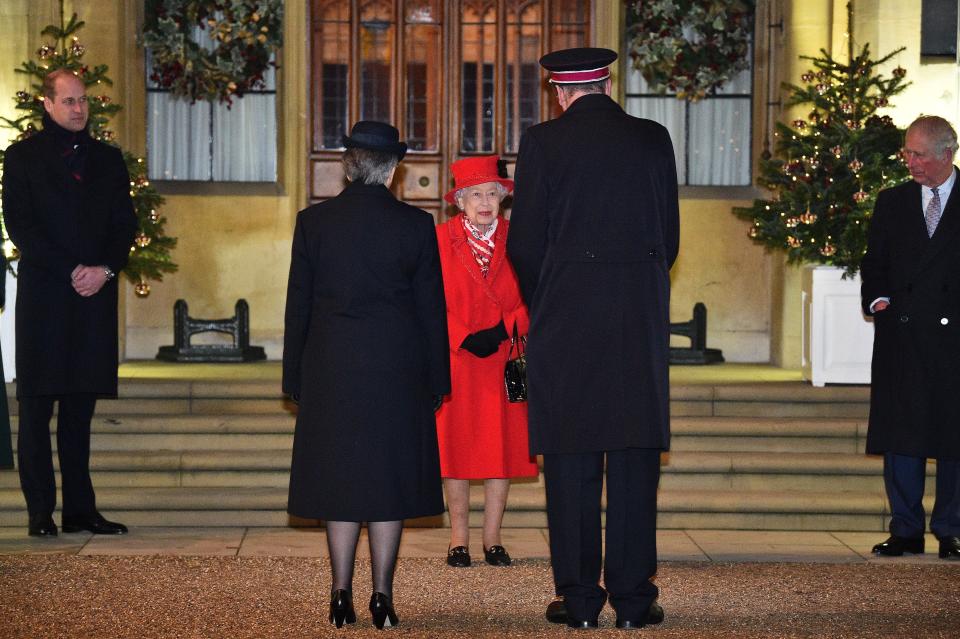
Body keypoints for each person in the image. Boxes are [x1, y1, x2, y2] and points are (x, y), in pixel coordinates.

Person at [507, 48, 679, 629]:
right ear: (607, 83)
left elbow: (524, 243)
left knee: (572, 461)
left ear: (559, 91)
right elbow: (670, 237)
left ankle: (579, 600)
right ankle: (633, 600)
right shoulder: (653, 138)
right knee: (633, 462)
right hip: (637, 321)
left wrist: (550, 300)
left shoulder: (542, 144)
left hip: (568, 321)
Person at [282, 120, 451, 629]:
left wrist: (294, 377)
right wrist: (438, 380)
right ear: (394, 169)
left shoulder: (314, 223)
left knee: (339, 481)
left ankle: (339, 594)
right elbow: (431, 311)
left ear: (347, 165)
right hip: (395, 371)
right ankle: (381, 596)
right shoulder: (416, 226)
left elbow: (299, 308)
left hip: (331, 368)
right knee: (387, 482)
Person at [2, 69, 137, 538]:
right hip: (45, 299)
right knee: (37, 411)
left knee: (79, 413)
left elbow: (125, 226)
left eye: (83, 101)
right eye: (69, 101)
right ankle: (40, 512)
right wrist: (70, 270)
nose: (79, 109)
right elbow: (20, 226)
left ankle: (81, 510)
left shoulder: (109, 160)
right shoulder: (21, 158)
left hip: (92, 300)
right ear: (48, 104)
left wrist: (104, 270)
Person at [860, 114, 960, 561]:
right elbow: (874, 262)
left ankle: (951, 529)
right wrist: (877, 299)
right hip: (902, 335)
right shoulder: (893, 201)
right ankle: (905, 529)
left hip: (954, 339)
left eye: (918, 153)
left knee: (954, 438)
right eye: (907, 151)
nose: (910, 161)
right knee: (902, 435)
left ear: (947, 153)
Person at [434, 155, 538, 568]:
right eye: (475, 194)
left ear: (502, 199)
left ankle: (493, 538)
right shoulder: (439, 240)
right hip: (458, 358)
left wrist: (505, 328)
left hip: (507, 359)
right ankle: (458, 539)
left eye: (492, 194)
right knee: (456, 449)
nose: (484, 202)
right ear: (459, 201)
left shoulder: (520, 239)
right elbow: (425, 300)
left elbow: (538, 294)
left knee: (503, 448)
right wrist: (460, 335)